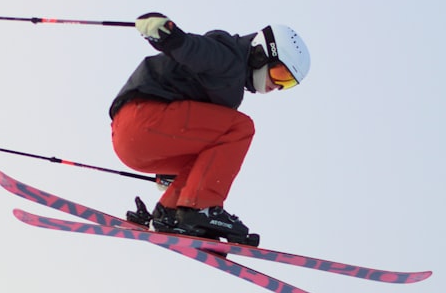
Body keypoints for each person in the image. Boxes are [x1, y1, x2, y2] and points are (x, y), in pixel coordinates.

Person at [109, 13, 310, 241]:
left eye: (287, 83)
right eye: (279, 73)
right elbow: (196, 50)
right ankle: (199, 208)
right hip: (144, 118)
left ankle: (171, 212)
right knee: (241, 128)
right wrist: (169, 36)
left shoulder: (230, 86)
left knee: (212, 153)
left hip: (132, 139)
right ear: (261, 53)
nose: (276, 85)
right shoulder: (228, 58)